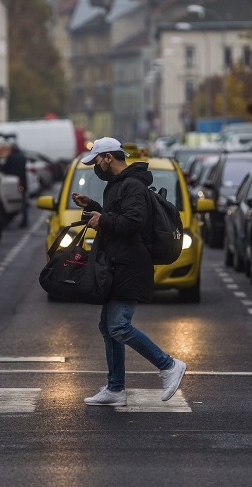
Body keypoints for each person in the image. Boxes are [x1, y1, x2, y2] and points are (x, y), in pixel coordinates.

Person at [72, 136, 187, 406]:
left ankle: (169, 365)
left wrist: (105, 219)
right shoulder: (119, 185)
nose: (95, 167)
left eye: (97, 161)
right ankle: (115, 389)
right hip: (116, 264)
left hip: (129, 266)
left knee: (119, 326)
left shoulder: (132, 185)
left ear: (109, 158)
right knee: (108, 326)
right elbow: (119, 217)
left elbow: (134, 221)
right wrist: (93, 207)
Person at [1, 144, 28, 228]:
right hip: (22, 181)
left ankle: (18, 218)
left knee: (15, 199)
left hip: (13, 182)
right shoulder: (22, 157)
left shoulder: (11, 158)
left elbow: (4, 168)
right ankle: (25, 220)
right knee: (23, 201)